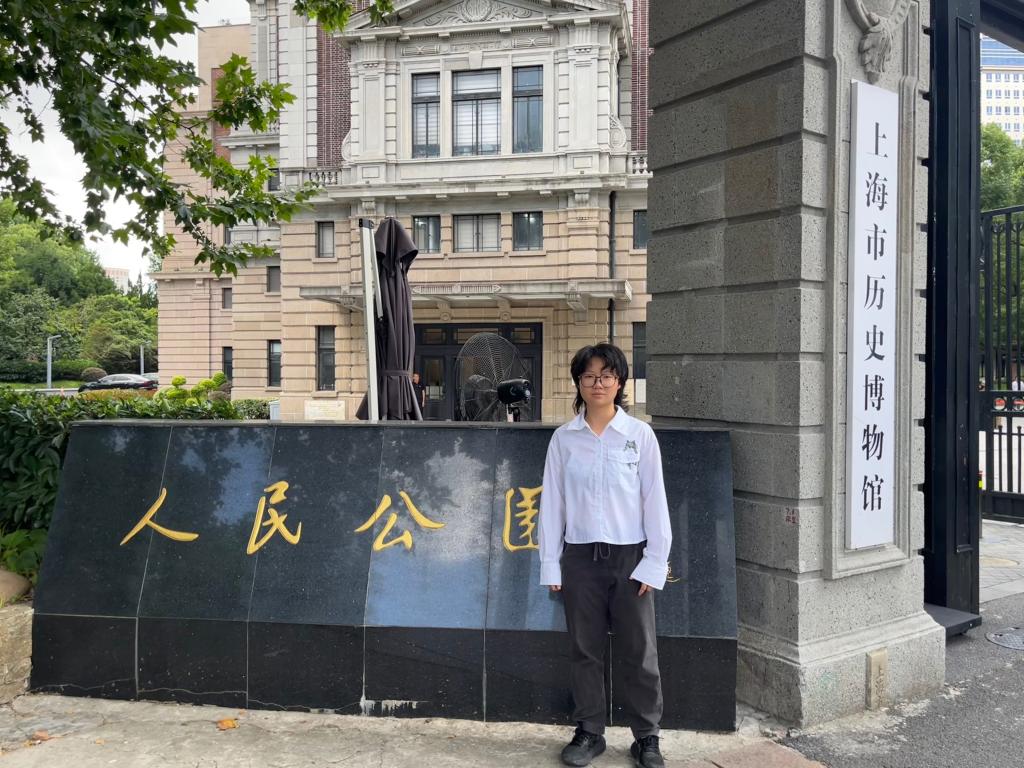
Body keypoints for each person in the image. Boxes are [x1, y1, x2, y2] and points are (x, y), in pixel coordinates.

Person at [538, 342, 671, 768]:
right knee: (585, 649)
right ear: (578, 382)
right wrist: (551, 562)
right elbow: (553, 504)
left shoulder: (639, 436)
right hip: (580, 558)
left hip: (630, 558)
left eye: (607, 376)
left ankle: (646, 736)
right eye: (590, 376)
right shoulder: (564, 439)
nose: (598, 383)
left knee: (640, 651)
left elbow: (655, 501)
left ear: (620, 382)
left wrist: (654, 561)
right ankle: (590, 731)